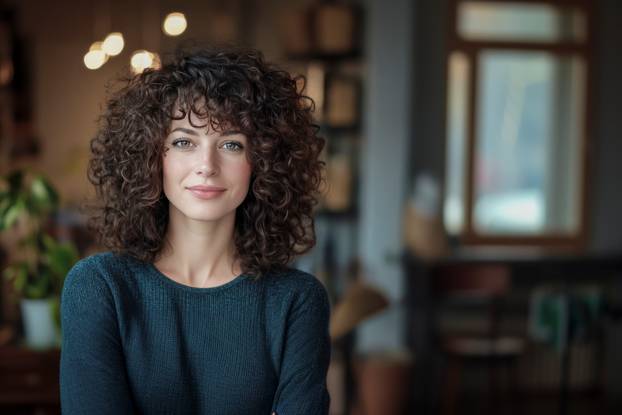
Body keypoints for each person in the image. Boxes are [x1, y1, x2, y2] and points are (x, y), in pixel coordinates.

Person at [60, 46, 331, 415]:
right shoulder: (99, 287)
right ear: (153, 156)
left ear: (264, 163)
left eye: (232, 144)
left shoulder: (297, 302)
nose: (207, 165)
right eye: (184, 141)